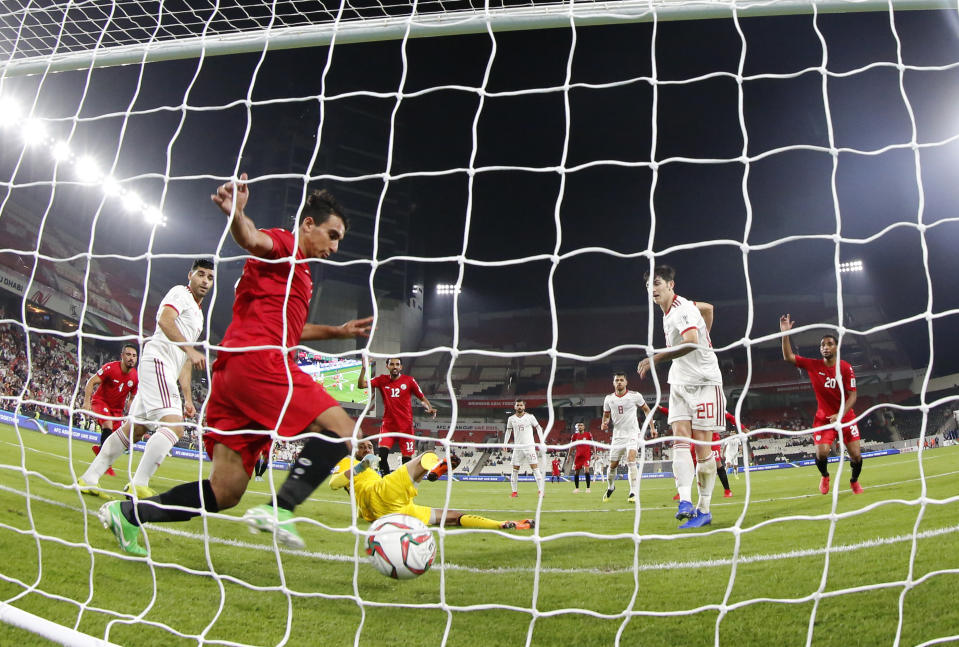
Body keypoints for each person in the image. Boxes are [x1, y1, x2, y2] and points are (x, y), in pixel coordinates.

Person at [98, 173, 373, 556]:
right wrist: (237, 215)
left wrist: (337, 330)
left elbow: (290, 330)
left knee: (225, 491)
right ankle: (281, 509)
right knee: (344, 428)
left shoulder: (298, 274)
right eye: (333, 235)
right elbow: (252, 239)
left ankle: (129, 513)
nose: (335, 246)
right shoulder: (285, 245)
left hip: (232, 375)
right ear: (309, 223)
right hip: (258, 363)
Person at [78, 260, 214, 499]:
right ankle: (138, 483)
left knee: (135, 430)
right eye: (201, 275)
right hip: (157, 361)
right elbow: (164, 320)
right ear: (190, 275)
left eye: (209, 277)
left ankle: (89, 478)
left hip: (166, 370)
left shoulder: (199, 316)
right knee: (174, 427)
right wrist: (191, 350)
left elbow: (184, 360)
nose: (204, 280)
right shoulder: (180, 293)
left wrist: (188, 398)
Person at [638, 265, 725, 529]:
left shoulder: (683, 310)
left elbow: (690, 342)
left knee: (702, 449)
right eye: (648, 286)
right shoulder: (674, 310)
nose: (652, 289)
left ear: (671, 285)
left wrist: (657, 358)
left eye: (657, 283)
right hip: (679, 382)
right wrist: (706, 334)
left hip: (705, 383)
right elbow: (708, 309)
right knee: (678, 441)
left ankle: (705, 509)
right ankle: (685, 501)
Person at [329, 440, 532, 530]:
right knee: (426, 455)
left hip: (392, 511)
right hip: (380, 494)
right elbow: (334, 484)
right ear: (354, 450)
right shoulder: (349, 463)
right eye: (362, 447)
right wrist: (361, 466)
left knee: (451, 517)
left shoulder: (370, 470)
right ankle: (434, 470)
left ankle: (502, 524)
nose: (366, 449)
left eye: (369, 447)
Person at [780, 314, 863, 495]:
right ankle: (825, 476)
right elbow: (788, 357)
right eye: (822, 345)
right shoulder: (813, 365)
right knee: (822, 453)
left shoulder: (845, 368)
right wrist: (785, 334)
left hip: (846, 417)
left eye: (829, 344)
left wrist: (840, 414)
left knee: (856, 455)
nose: (825, 347)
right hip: (824, 419)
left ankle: (854, 481)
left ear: (836, 347)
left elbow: (853, 396)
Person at [358, 358, 436, 476]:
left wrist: (429, 407)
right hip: (388, 426)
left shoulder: (409, 381)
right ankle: (385, 481)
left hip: (406, 428)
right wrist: (364, 369)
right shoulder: (381, 380)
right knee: (382, 457)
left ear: (401, 367)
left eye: (397, 364)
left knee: (406, 461)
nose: (395, 366)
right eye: (392, 364)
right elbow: (361, 385)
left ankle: (403, 484)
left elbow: (421, 398)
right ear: (387, 366)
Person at [83, 344, 139, 476]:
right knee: (107, 425)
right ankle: (104, 464)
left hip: (117, 410)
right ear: (122, 356)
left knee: (118, 440)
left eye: (134, 356)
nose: (131, 358)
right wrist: (86, 402)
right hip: (101, 402)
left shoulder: (135, 376)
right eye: (128, 354)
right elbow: (91, 381)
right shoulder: (110, 368)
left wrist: (129, 409)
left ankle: (101, 452)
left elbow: (132, 397)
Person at [601, 372, 654, 504]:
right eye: (617, 380)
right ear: (613, 383)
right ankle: (611, 487)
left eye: (621, 380)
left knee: (631, 460)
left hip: (632, 434)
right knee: (613, 465)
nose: (619, 382)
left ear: (626, 382)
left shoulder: (635, 396)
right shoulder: (609, 399)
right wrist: (604, 422)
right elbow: (606, 415)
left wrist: (653, 428)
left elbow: (647, 410)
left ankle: (633, 492)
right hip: (618, 436)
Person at [504, 399, 547, 498]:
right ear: (515, 407)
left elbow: (539, 428)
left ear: (524, 407)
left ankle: (541, 491)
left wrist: (542, 442)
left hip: (529, 446)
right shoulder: (511, 419)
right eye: (517, 405)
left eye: (521, 405)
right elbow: (508, 431)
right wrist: (505, 444)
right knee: (515, 470)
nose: (519, 407)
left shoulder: (530, 417)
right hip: (517, 448)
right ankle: (514, 492)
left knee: (535, 469)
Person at [568, 420, 593, 493]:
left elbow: (593, 444)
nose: (580, 427)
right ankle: (577, 488)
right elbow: (571, 446)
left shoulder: (588, 434)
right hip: (578, 456)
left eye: (581, 425)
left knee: (587, 471)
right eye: (579, 425)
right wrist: (568, 456)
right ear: (577, 427)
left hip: (586, 456)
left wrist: (595, 453)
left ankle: (588, 488)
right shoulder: (574, 436)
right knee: (576, 472)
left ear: (584, 427)